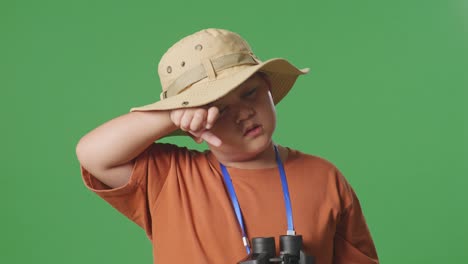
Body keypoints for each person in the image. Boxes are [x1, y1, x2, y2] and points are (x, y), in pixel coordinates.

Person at [76, 28, 379, 263]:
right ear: (194, 128)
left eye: (250, 93)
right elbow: (93, 155)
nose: (244, 113)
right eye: (218, 109)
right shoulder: (169, 177)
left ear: (270, 89)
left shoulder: (323, 177)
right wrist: (172, 115)